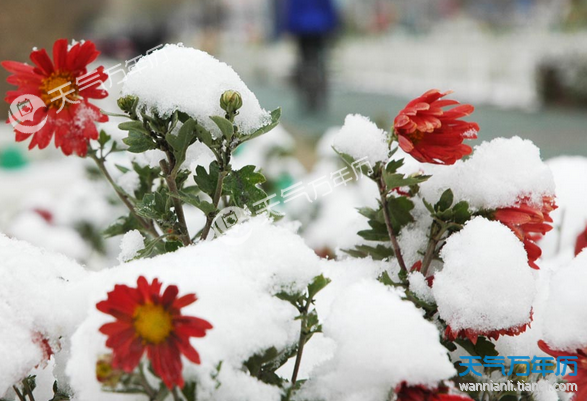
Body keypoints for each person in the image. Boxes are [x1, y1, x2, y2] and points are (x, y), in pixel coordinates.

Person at [284, 0, 338, 113]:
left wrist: (290, 27)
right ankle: (318, 95)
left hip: (302, 28)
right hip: (320, 27)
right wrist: (333, 26)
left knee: (305, 62)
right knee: (319, 63)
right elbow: (328, 7)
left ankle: (307, 95)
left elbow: (292, 8)